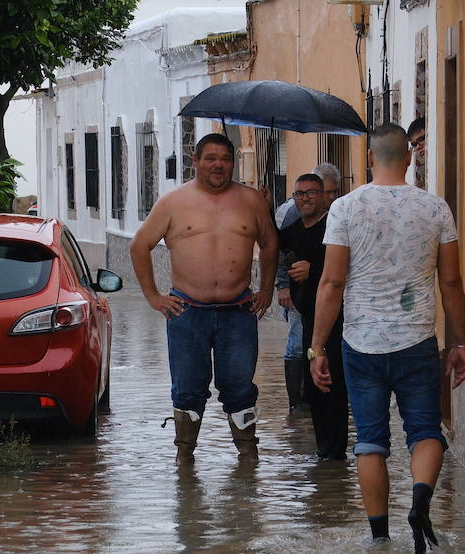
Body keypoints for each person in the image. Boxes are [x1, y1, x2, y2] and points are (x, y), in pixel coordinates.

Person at [309, 123, 465, 553]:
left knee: (370, 440)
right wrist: (459, 344)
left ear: (368, 158)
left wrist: (316, 347)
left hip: (360, 343)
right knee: (425, 431)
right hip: (417, 339)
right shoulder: (436, 209)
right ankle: (419, 502)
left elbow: (331, 283)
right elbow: (451, 283)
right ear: (411, 157)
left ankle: (379, 537)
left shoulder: (344, 208)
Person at [130, 133, 279, 462]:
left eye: (225, 159)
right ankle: (184, 456)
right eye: (210, 158)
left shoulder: (251, 200)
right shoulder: (173, 202)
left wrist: (267, 289)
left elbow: (270, 244)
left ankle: (248, 454)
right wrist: (154, 296)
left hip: (238, 311)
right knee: (188, 388)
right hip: (187, 311)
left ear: (233, 163)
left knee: (240, 387)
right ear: (195, 161)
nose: (218, 165)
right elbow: (139, 245)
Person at [278, 172, 348, 460]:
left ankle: (336, 451)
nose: (305, 198)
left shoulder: (335, 228)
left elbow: (344, 272)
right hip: (307, 315)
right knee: (314, 383)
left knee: (333, 382)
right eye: (300, 193)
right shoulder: (292, 230)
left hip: (336, 318)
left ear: (324, 196)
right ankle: (323, 449)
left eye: (312, 192)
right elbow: (276, 248)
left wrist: (313, 271)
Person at [273, 195, 305, 412]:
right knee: (297, 343)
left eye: (333, 191)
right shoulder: (290, 214)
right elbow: (277, 250)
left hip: (324, 289)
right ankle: (296, 402)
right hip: (296, 290)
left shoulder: (335, 210)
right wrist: (282, 285)